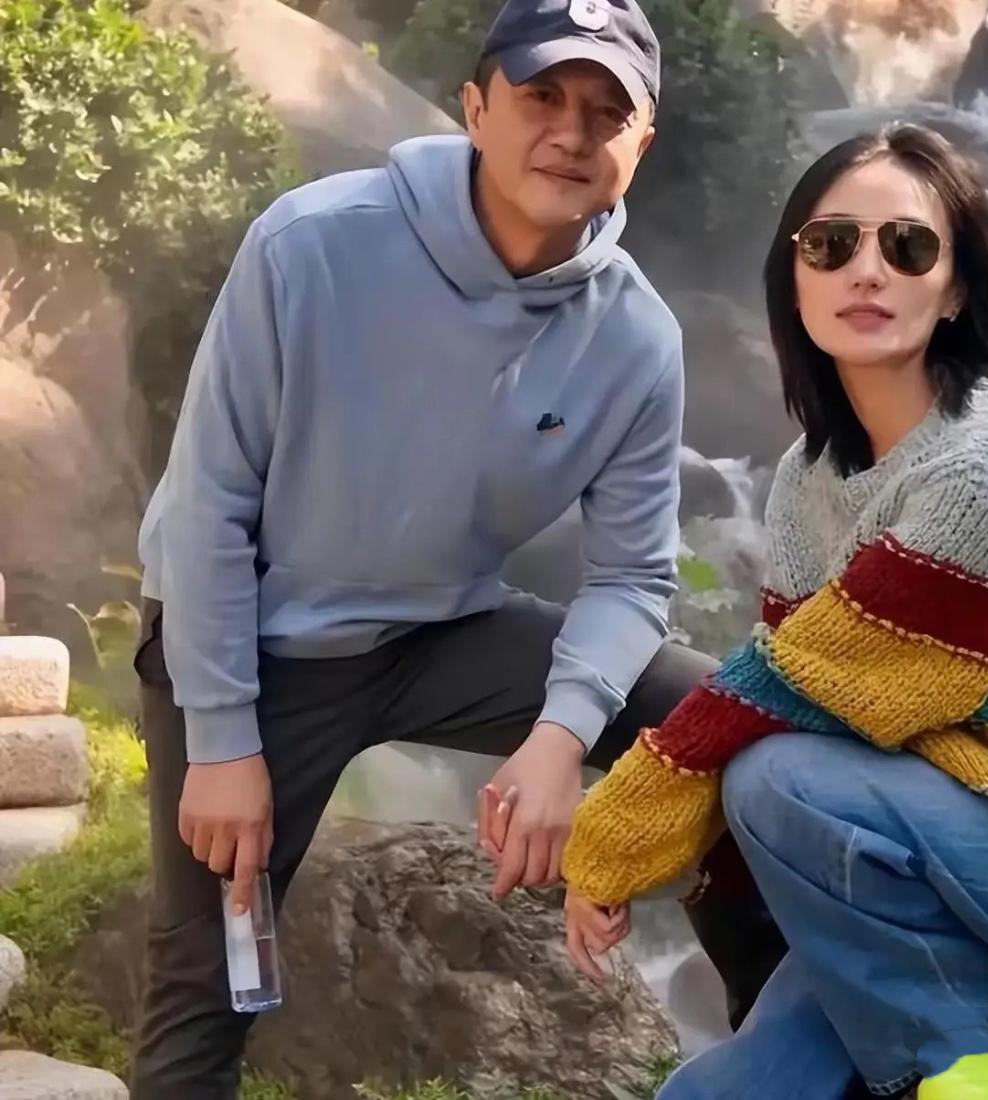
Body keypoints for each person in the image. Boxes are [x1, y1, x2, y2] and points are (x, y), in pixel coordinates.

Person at [127, 0, 785, 1093]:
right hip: (251, 637)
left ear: (642, 143)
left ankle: (785, 1048)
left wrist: (560, 737)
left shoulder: (636, 337)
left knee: (722, 725)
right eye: (542, 95)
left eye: (606, 111)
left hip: (438, 631)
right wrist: (223, 740)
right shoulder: (311, 243)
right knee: (212, 974)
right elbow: (208, 503)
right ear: (476, 109)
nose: (571, 131)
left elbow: (632, 575)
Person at [558, 124, 988, 1100]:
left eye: (907, 246)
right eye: (831, 245)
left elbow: (783, 694)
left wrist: (608, 845)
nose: (866, 270)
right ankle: (968, 1031)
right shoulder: (804, 477)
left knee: (779, 774)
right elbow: (796, 702)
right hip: (960, 848)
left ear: (955, 289)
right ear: (794, 279)